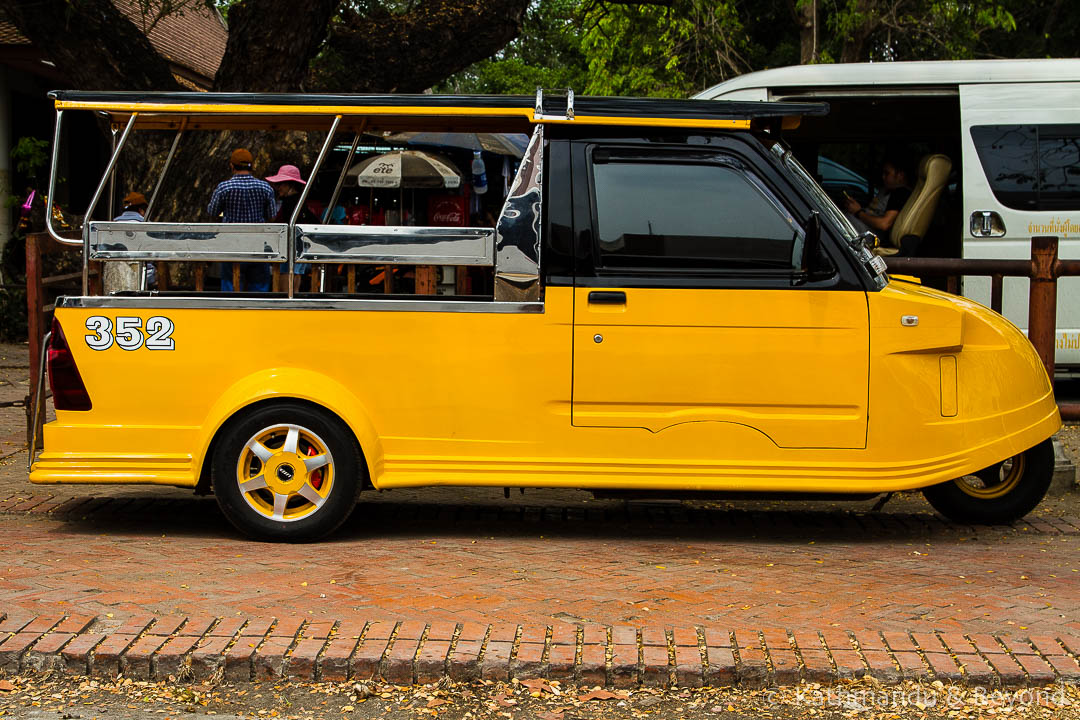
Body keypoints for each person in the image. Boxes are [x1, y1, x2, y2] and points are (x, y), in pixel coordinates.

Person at [207, 148, 276, 292]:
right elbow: (272, 215)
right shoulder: (265, 187)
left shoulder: (223, 188)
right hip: (258, 245)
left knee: (230, 284)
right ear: (252, 166)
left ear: (232, 166)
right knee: (259, 287)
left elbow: (212, 211)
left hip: (231, 244)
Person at [265, 164, 317, 292]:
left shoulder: (290, 203)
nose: (278, 188)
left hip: (291, 246)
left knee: (288, 273)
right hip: (299, 246)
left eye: (281, 184)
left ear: (290, 185)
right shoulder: (300, 201)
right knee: (297, 273)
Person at [841, 157, 912, 238]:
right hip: (864, 226)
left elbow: (884, 224)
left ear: (900, 175)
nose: (883, 177)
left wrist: (858, 212)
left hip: (872, 235)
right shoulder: (886, 189)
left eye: (887, 173)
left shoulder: (900, 193)